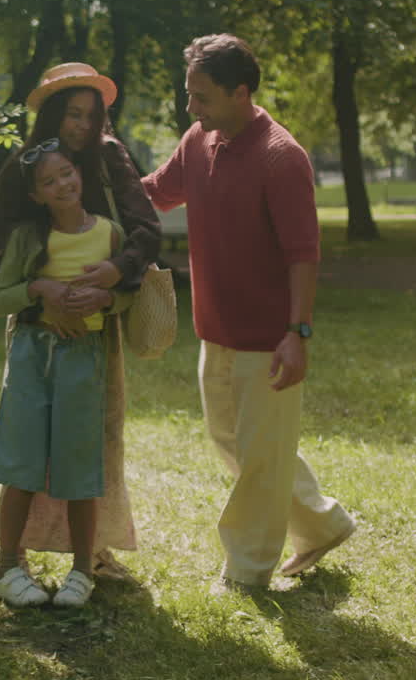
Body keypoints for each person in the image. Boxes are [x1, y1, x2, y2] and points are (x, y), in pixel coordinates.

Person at [141, 34, 356, 592]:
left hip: (268, 337)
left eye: (202, 97)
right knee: (236, 444)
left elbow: (303, 254)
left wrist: (296, 333)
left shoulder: (281, 157)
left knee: (260, 459)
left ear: (241, 92)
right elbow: (156, 193)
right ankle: (323, 524)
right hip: (214, 329)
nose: (191, 107)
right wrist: (96, 176)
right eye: (189, 94)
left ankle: (246, 569)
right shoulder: (198, 139)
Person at [0, 63, 161, 582]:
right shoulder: (22, 170)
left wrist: (116, 272)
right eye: (73, 114)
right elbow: (3, 259)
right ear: (51, 115)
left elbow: (146, 229)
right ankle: (14, 553)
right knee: (27, 445)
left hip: (96, 327)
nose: (83, 125)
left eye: (92, 115)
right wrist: (44, 303)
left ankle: (95, 552)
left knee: (95, 440)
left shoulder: (109, 157)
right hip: (35, 327)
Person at [0, 139, 135, 608]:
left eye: (66, 173)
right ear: (36, 195)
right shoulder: (28, 237)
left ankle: (82, 569)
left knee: (79, 464)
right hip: (32, 355)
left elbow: (130, 293)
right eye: (48, 182)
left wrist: (106, 299)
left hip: (84, 359)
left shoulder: (110, 234)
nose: (62, 185)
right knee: (22, 463)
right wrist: (39, 289)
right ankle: (8, 566)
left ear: (80, 174)